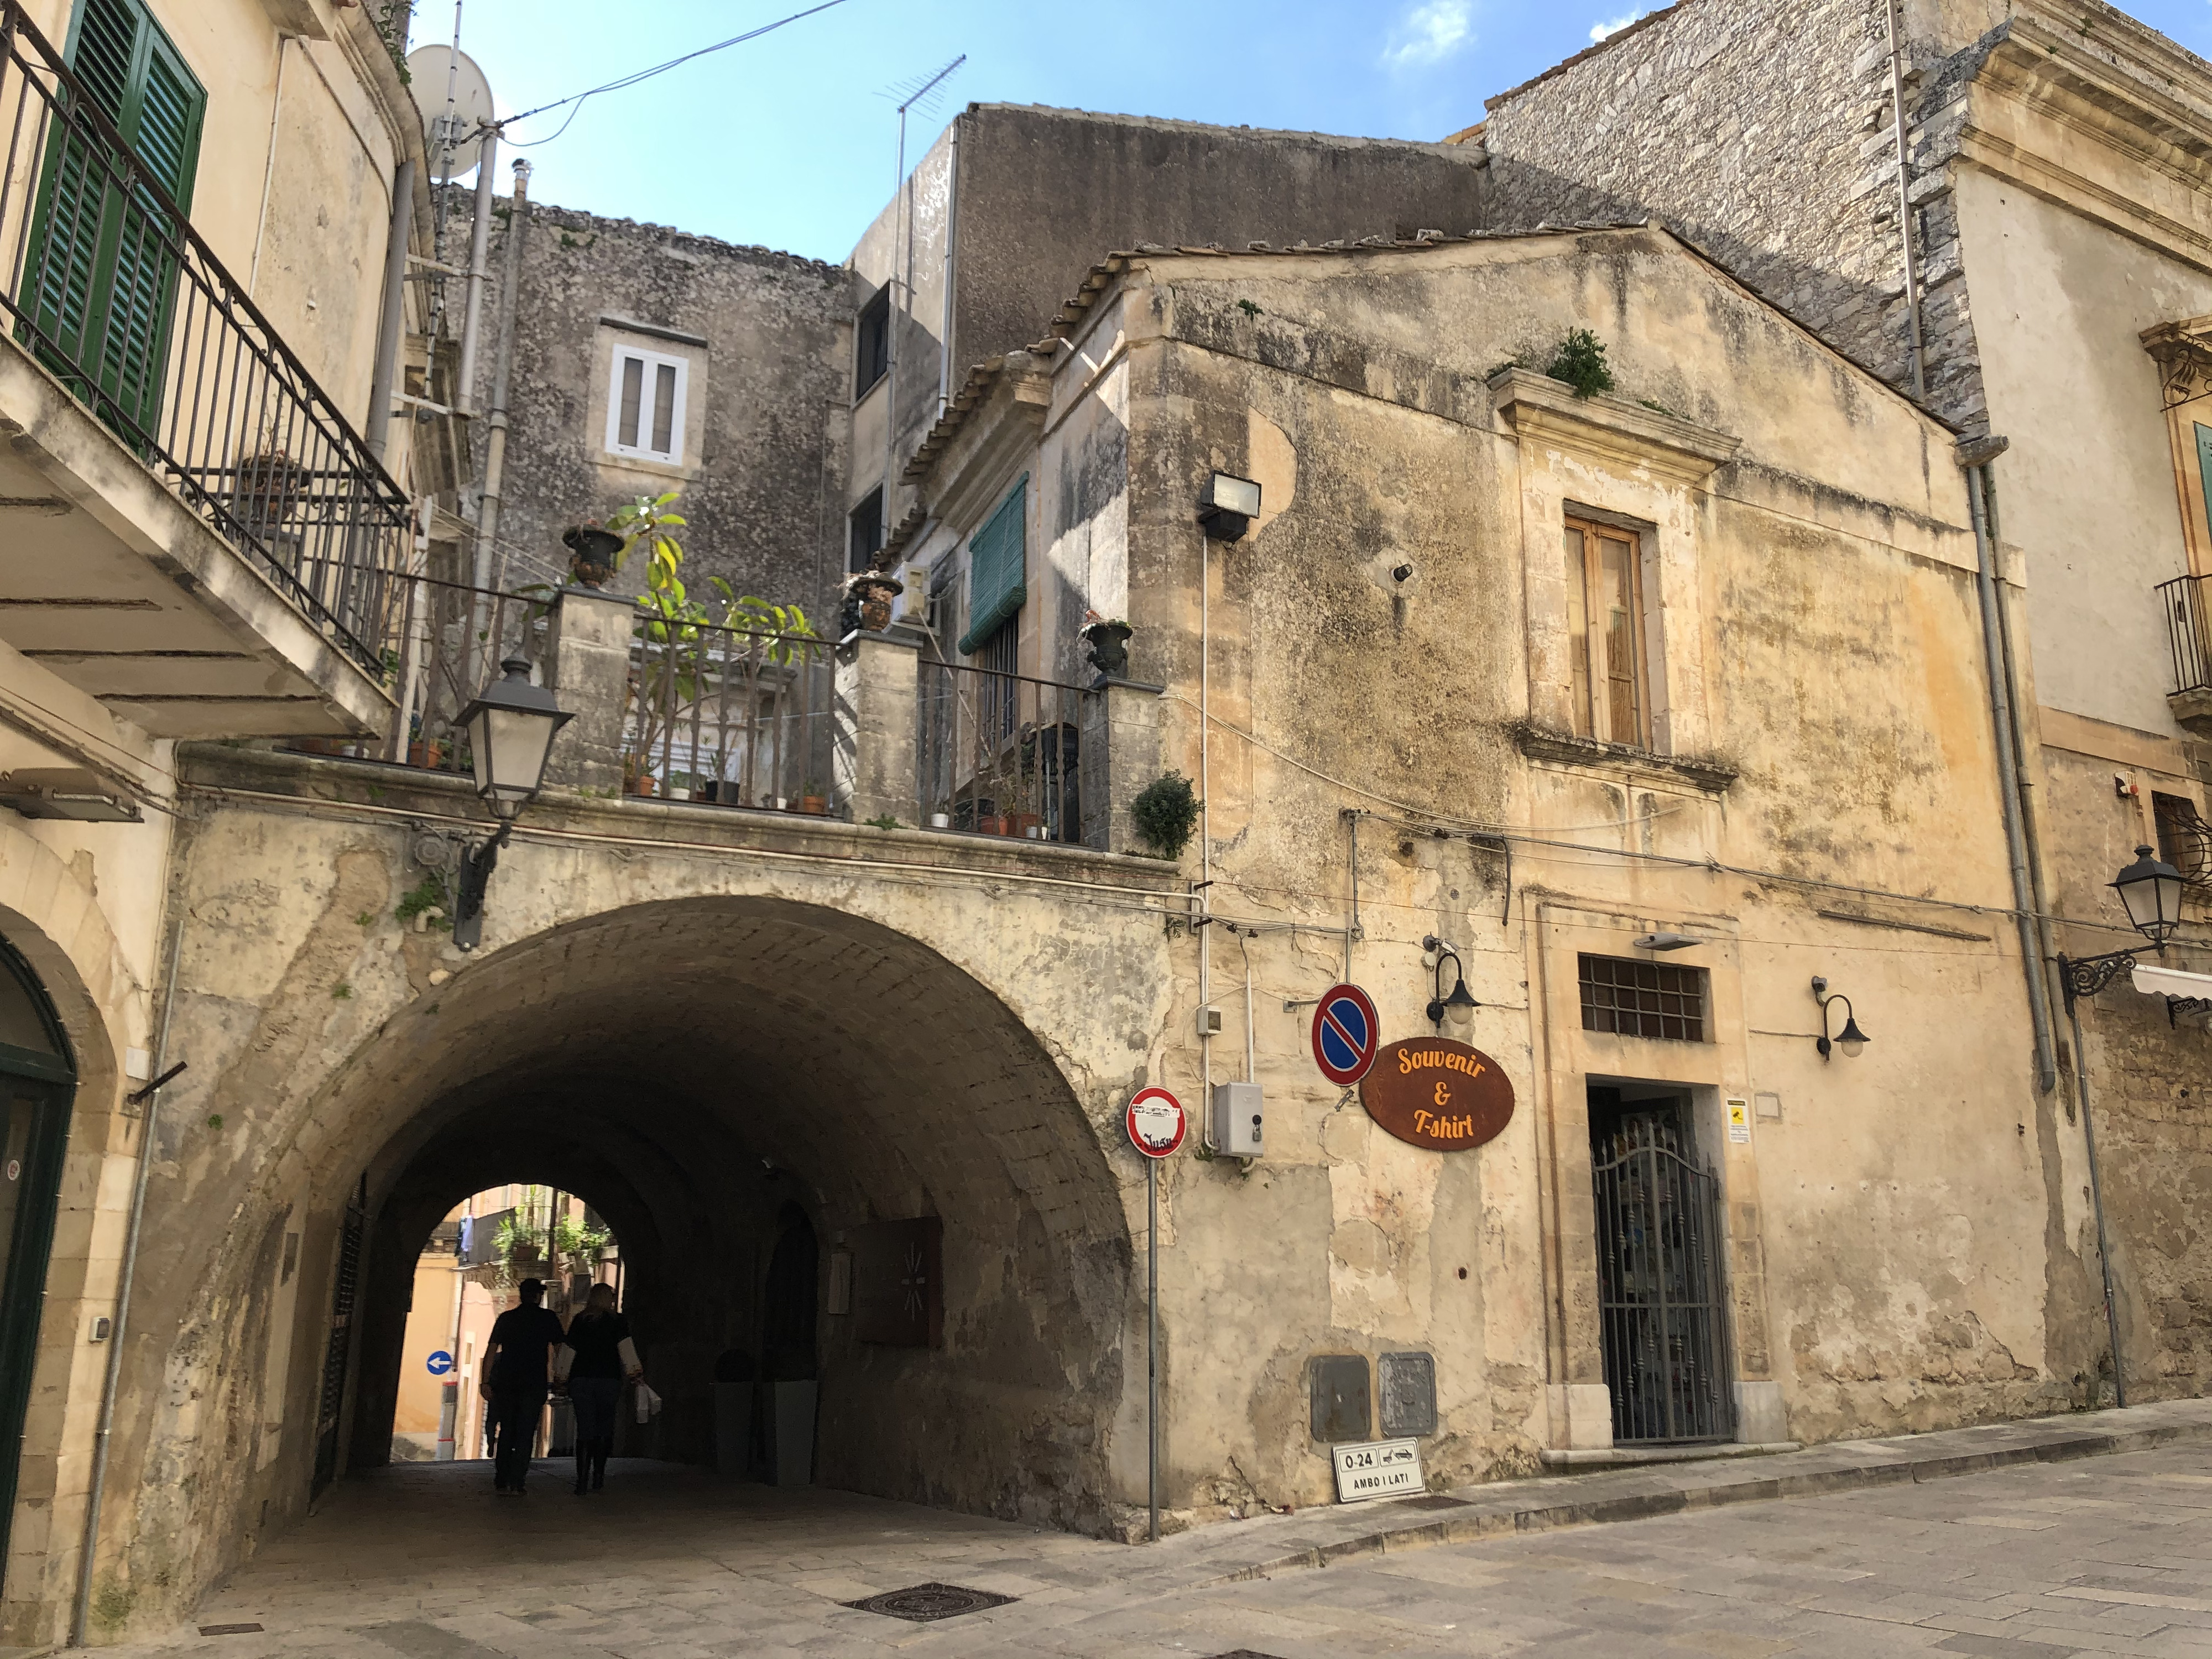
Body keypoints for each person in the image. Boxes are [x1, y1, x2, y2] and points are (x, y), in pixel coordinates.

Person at [555, 1282, 642, 1495]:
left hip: (581, 1381)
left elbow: (568, 1352)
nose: (614, 1299)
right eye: (611, 1296)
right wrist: (636, 1376)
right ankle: (598, 1477)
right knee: (604, 1428)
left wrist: (561, 1380)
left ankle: (582, 1480)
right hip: (608, 1381)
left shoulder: (580, 1321)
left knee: (585, 1430)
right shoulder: (618, 1322)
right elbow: (626, 1349)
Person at [483, 1278, 566, 1495]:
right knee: (526, 1433)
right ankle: (518, 1482)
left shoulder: (507, 1319)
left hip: (506, 1384)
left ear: (521, 1295)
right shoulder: (548, 1319)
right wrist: (562, 1377)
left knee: (508, 1430)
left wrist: (485, 1381)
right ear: (538, 1296)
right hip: (534, 1384)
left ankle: (501, 1480)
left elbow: (491, 1351)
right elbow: (560, 1350)